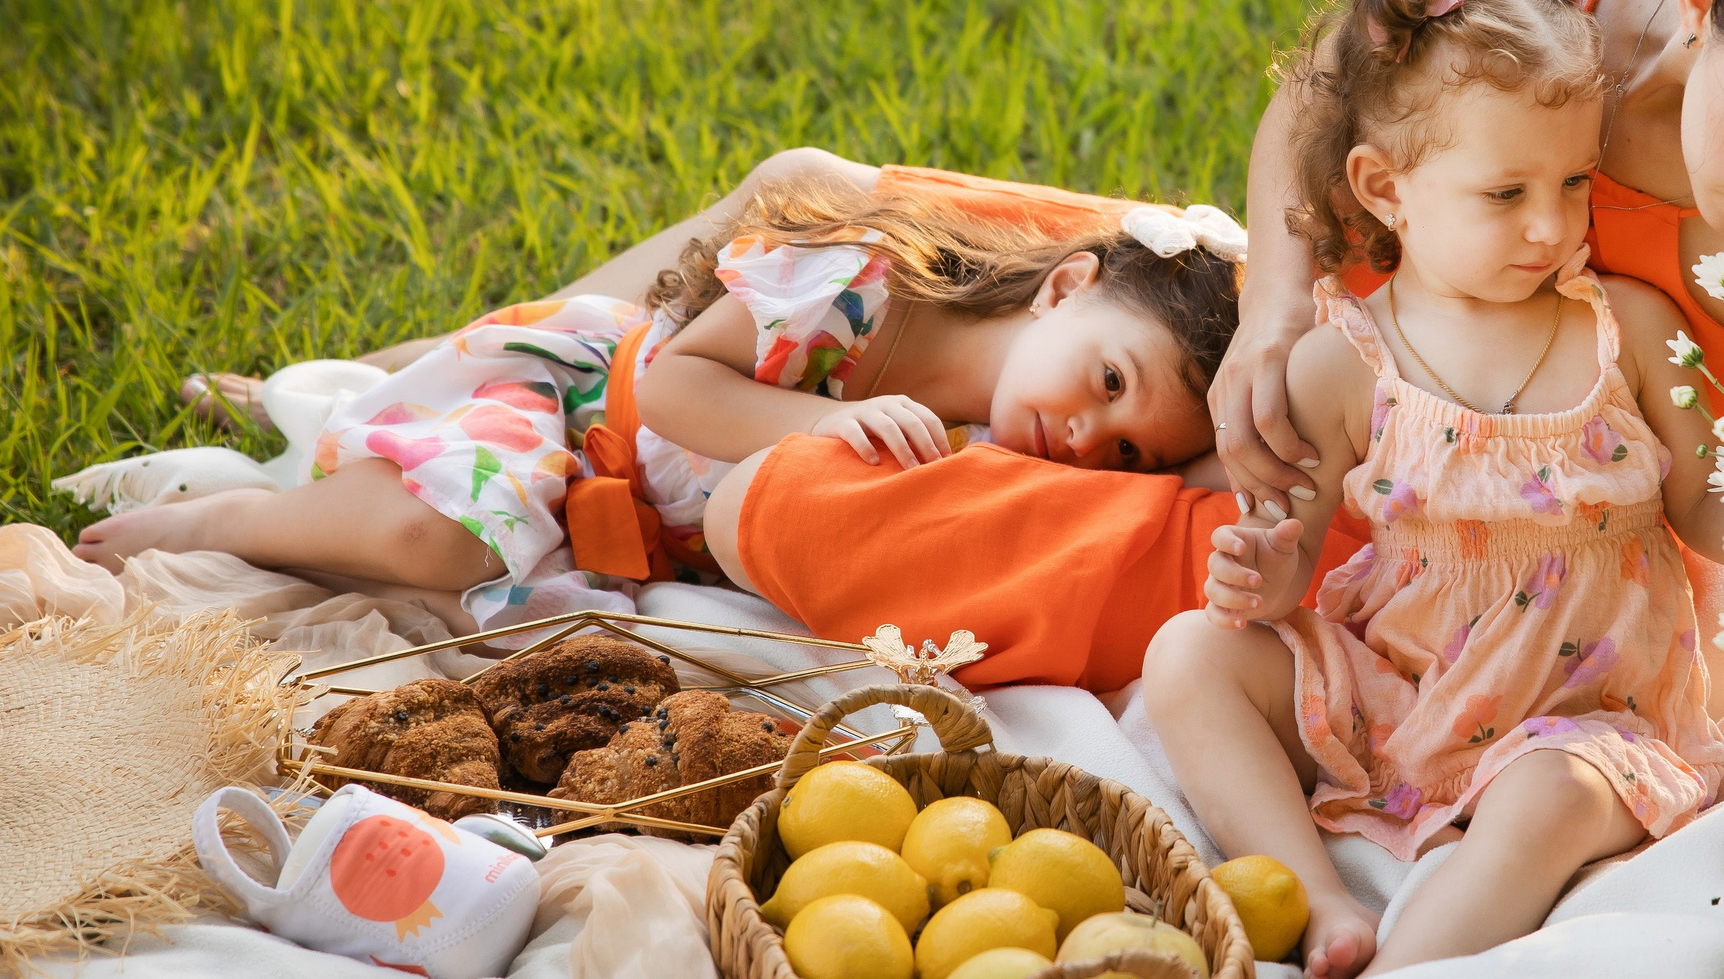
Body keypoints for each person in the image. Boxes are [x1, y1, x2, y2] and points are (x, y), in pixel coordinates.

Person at [186, 0, 1724, 703]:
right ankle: (494, 374)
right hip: (1321, 319)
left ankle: (604, 457)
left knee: (992, 508)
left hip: (1484, 496)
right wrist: (1269, 312)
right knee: (860, 227)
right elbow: (1324, 98)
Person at [1143, 0, 1724, 979]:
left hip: (1585, 719)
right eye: (1505, 194)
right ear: (1384, 188)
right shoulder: (1342, 362)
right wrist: (1263, 573)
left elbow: (1709, 516)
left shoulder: (1625, 331)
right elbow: (1298, 559)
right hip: (1401, 696)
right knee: (1186, 657)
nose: (1551, 225)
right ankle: (1316, 897)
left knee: (1553, 796)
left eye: (1573, 182)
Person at [82, 185, 1244, 654]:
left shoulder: (1007, 449)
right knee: (437, 540)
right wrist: (820, 425)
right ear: (1063, 289)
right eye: (1106, 384)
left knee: (497, 620)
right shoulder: (861, 290)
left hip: (631, 519)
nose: (1091, 441)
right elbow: (678, 386)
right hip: (581, 402)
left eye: (1129, 448)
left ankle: (310, 481)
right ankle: (229, 516)